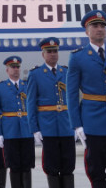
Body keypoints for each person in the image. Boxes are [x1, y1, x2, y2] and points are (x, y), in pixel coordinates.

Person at [67, 10, 106, 188]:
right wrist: (77, 125)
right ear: (87, 31)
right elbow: (71, 94)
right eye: (95, 26)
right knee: (97, 172)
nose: (100, 29)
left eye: (103, 25)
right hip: (93, 122)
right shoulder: (78, 57)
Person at [26, 37, 75, 188]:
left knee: (68, 166)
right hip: (48, 128)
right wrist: (34, 129)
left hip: (66, 127)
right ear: (43, 54)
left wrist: (77, 124)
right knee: (51, 167)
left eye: (55, 51)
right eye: (49, 52)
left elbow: (73, 99)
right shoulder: (35, 74)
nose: (53, 54)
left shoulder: (66, 72)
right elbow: (30, 103)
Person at [0, 56, 34, 188]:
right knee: (14, 166)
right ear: (7, 70)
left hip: (26, 131)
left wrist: (36, 129)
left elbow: (34, 108)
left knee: (27, 165)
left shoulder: (27, 85)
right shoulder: (0, 87)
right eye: (13, 67)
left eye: (17, 67)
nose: (16, 69)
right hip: (10, 132)